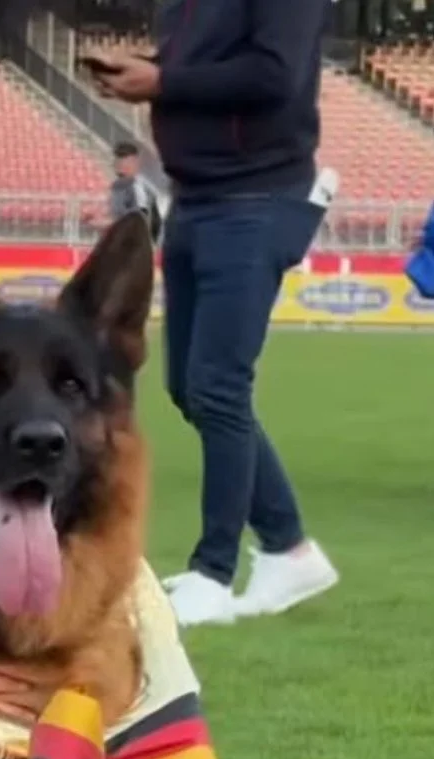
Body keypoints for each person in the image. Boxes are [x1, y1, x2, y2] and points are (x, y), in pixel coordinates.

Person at [93, 3, 340, 627]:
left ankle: (214, 572)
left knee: (220, 385)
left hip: (257, 197)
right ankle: (289, 549)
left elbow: (273, 75)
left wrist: (165, 81)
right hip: (198, 196)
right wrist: (147, 69)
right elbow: (201, 63)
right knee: (191, 386)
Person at [108, 140, 162, 243]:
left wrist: (107, 222)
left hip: (134, 245)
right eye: (117, 159)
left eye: (123, 160)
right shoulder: (117, 186)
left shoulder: (139, 187)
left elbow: (140, 218)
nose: (118, 163)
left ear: (134, 162)